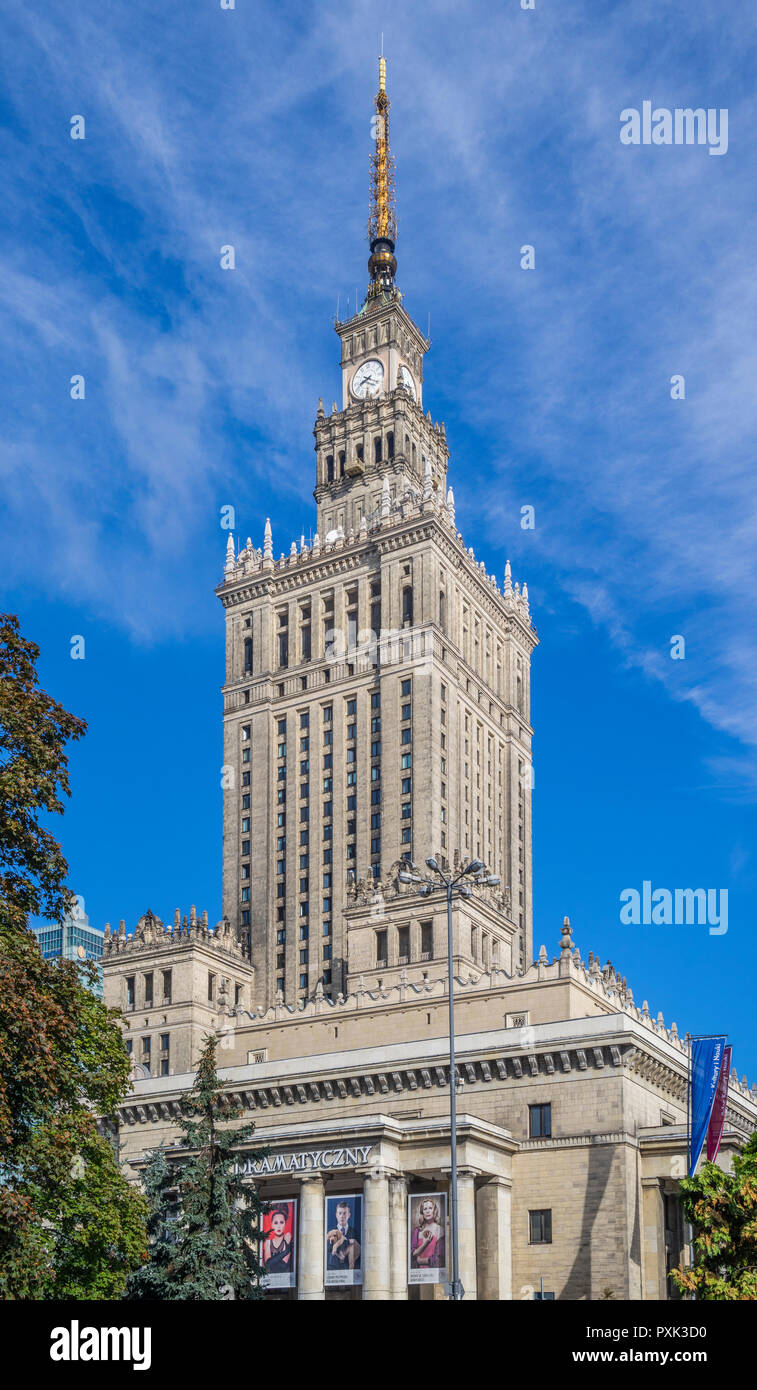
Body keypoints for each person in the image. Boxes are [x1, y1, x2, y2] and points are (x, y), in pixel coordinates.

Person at [326, 1200, 361, 1270]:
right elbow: (328, 1252)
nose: (342, 1216)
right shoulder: (329, 1233)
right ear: (336, 1215)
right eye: (340, 1213)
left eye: (345, 1213)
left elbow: (359, 1254)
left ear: (349, 1215)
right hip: (333, 1271)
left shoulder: (355, 1233)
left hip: (351, 1272)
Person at [411, 1198, 445, 1269]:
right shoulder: (417, 1231)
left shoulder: (439, 1229)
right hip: (418, 1274)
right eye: (425, 1209)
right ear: (422, 1212)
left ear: (434, 1210)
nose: (428, 1211)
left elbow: (439, 1258)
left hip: (434, 1273)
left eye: (430, 1208)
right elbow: (413, 1254)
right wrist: (426, 1243)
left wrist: (420, 1261)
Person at [262, 1204, 293, 1273]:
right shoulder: (268, 1242)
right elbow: (268, 1264)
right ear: (272, 1225)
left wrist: (273, 1260)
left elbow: (283, 1266)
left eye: (281, 1222)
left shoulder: (287, 1239)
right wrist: (286, 1251)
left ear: (285, 1224)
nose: (279, 1226)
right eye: (276, 1223)